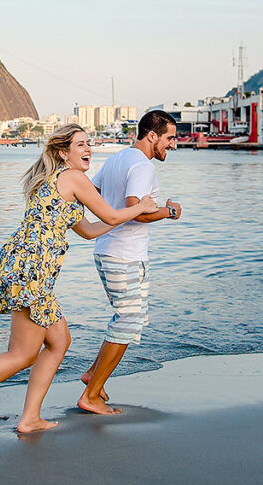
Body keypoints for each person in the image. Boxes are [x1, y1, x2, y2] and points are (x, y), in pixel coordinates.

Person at [0, 124, 157, 439]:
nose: (88, 149)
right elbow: (110, 215)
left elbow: (91, 229)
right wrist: (142, 208)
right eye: (80, 144)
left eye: (89, 143)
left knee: (58, 341)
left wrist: (126, 216)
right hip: (31, 269)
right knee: (22, 354)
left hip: (22, 264)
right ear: (63, 152)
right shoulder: (74, 178)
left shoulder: (57, 183)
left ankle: (30, 418)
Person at [78, 109, 181, 415]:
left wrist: (101, 218)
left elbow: (93, 191)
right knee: (128, 321)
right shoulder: (142, 166)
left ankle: (92, 376)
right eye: (169, 138)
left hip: (106, 249)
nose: (173, 145)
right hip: (124, 255)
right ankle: (90, 395)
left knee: (124, 318)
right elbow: (135, 208)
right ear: (152, 136)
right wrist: (169, 211)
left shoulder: (117, 159)